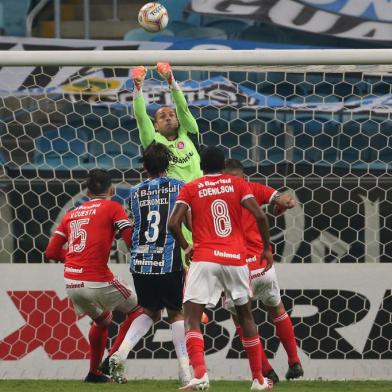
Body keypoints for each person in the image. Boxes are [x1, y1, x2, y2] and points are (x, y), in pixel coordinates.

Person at [169, 146, 274, 391]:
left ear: (202, 167)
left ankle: (200, 375)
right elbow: (260, 216)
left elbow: (173, 222)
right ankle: (258, 379)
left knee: (192, 319)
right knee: (246, 316)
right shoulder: (237, 184)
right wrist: (266, 249)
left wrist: (186, 247)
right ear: (223, 167)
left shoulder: (192, 187)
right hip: (236, 259)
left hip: (204, 258)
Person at [45, 169, 143, 383]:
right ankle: (111, 360)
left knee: (103, 321)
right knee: (140, 310)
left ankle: (94, 374)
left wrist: (72, 258)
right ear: (112, 190)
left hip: (72, 283)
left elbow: (50, 252)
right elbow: (129, 238)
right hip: (97, 278)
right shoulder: (113, 207)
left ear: (88, 192)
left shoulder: (71, 214)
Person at [108, 143, 192, 385]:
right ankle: (186, 371)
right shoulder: (179, 187)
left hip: (141, 260)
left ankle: (120, 353)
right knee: (176, 314)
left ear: (144, 166)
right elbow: (187, 222)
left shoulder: (134, 192)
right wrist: (190, 247)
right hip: (167, 261)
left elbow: (135, 224)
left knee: (149, 311)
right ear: (169, 164)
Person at [224, 159, 304, 383]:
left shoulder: (217, 198)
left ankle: (266, 370)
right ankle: (294, 361)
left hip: (238, 268)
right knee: (277, 309)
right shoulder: (251, 189)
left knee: (242, 320)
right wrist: (284, 202)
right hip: (263, 265)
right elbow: (282, 198)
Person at [131, 61, 202, 183]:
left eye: (171, 115)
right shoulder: (153, 142)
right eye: (162, 117)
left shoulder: (189, 133)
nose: (168, 118)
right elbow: (141, 117)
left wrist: (170, 79)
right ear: (156, 126)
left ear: (178, 120)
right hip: (173, 196)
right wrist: (137, 87)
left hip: (196, 192)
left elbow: (182, 108)